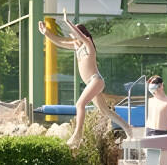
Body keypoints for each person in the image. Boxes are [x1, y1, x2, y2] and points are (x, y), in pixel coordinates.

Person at [37, 9, 134, 147]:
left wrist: (66, 21)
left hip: (96, 80)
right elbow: (59, 42)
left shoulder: (88, 45)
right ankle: (127, 128)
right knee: (105, 111)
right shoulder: (77, 47)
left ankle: (78, 134)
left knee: (79, 104)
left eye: (74, 34)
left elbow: (81, 36)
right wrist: (46, 33)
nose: (72, 37)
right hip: (90, 83)